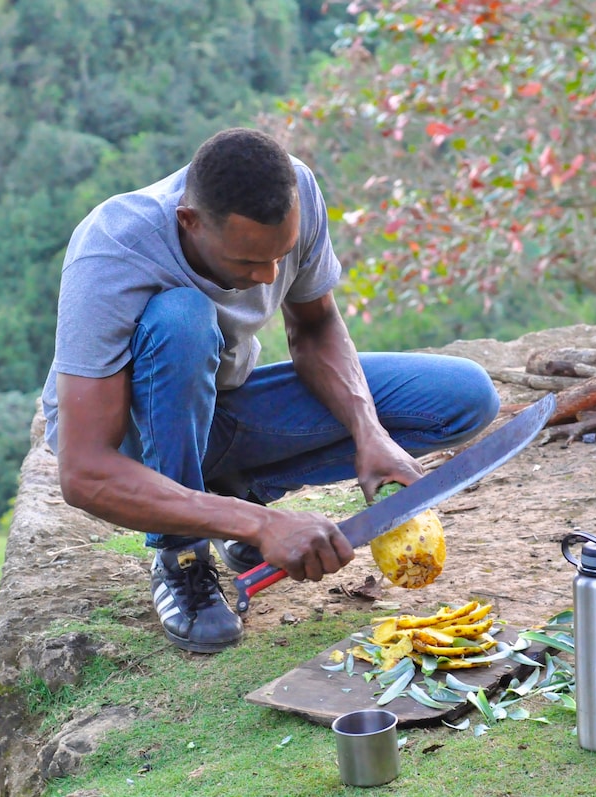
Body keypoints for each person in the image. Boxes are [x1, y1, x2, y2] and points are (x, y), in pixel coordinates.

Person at [41, 128, 500, 653]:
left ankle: (233, 495)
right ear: (189, 222)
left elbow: (315, 327)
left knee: (462, 397)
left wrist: (368, 432)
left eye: (280, 255)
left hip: (220, 408)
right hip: (135, 444)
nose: (269, 276)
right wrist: (263, 526)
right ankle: (182, 554)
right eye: (247, 263)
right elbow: (85, 472)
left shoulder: (295, 190)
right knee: (182, 320)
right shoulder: (112, 249)